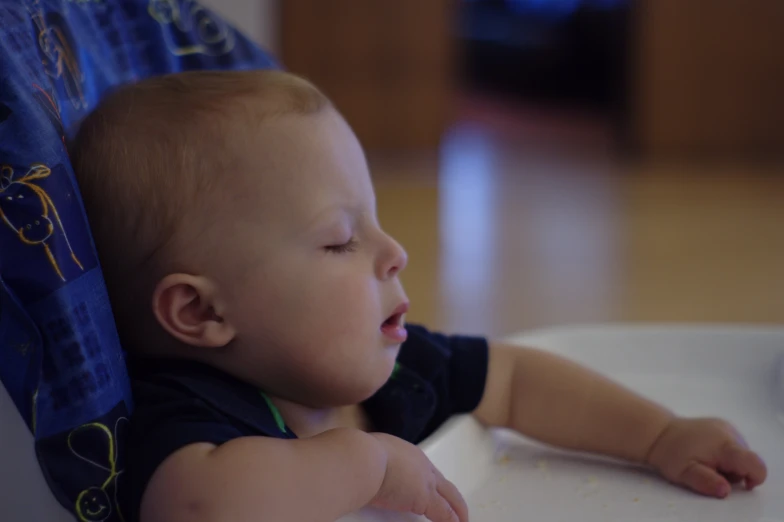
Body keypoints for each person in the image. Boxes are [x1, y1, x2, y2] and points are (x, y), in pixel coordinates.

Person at [70, 70, 767, 522]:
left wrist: (658, 436)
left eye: (374, 219)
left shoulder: (396, 371)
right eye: (341, 239)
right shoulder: (191, 417)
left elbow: (517, 378)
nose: (394, 251)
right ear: (203, 313)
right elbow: (197, 507)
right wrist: (366, 463)